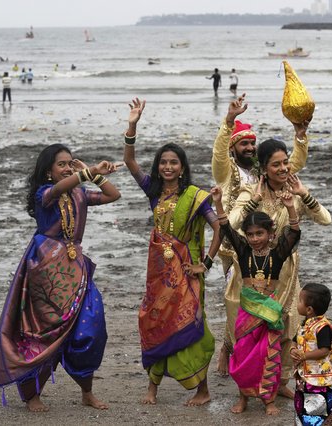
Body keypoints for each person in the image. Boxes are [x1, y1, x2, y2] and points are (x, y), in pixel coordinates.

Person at [0, 144, 121, 412]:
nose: (66, 168)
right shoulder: (44, 194)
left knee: (91, 326)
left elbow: (113, 195)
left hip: (75, 269)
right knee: (40, 333)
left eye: (69, 163)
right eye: (60, 164)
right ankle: (32, 395)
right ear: (48, 171)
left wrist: (93, 174)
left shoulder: (80, 194)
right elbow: (58, 190)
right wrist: (86, 173)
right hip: (45, 271)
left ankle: (87, 392)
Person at [122, 98, 220, 406]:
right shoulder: (152, 191)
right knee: (154, 320)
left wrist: (205, 263)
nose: (167, 166)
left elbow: (219, 228)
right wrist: (133, 126)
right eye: (163, 162)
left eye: (173, 162)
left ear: (182, 168)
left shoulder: (196, 197)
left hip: (187, 269)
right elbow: (129, 162)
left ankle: (202, 389)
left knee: (190, 322)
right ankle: (152, 387)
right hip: (159, 272)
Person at [211, 93, 310, 377]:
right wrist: (228, 122)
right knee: (239, 309)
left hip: (274, 254)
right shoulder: (227, 173)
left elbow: (294, 166)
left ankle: (274, 375)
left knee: (280, 311)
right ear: (233, 147)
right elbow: (218, 157)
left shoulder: (262, 172)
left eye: (253, 143)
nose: (250, 147)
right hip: (237, 252)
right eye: (244, 143)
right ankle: (231, 351)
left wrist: (300, 137)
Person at [229, 141, 331, 400]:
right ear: (264, 168)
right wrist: (253, 202)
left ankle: (279, 381)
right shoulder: (250, 191)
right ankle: (249, 386)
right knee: (252, 332)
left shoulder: (294, 192)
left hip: (286, 272)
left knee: (287, 329)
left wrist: (304, 194)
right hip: (256, 274)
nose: (283, 168)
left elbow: (326, 219)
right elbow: (231, 222)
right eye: (276, 164)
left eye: (285, 162)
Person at [211, 185, 301, 416]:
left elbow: (293, 234)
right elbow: (225, 229)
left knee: (268, 356)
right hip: (247, 312)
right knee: (243, 356)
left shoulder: (278, 254)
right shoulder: (243, 251)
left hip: (269, 312)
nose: (254, 239)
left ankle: (268, 400)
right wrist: (219, 203)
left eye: (259, 234)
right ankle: (243, 398)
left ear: (270, 234)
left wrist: (291, 208)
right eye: (250, 234)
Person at [291, 283, 332, 425]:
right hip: (304, 376)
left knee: (320, 406)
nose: (297, 303)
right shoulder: (304, 324)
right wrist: (293, 350)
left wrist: (304, 356)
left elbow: (324, 350)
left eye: (299, 300)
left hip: (320, 378)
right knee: (304, 405)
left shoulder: (322, 328)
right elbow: (295, 341)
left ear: (309, 309)